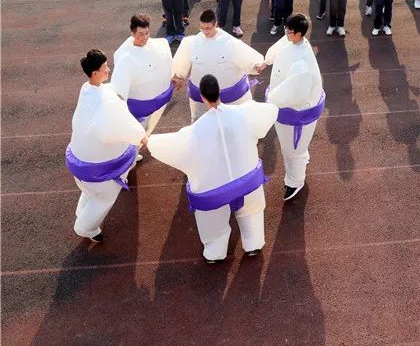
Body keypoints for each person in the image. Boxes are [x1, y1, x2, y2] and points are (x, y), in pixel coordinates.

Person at [148, 74, 279, 262]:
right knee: (252, 212)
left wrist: (149, 141)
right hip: (248, 180)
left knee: (213, 225)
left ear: (202, 97)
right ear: (219, 91)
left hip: (215, 191)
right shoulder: (244, 114)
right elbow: (271, 110)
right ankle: (254, 243)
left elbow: (173, 145)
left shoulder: (195, 131)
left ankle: (216, 252)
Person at [67, 50, 147, 241]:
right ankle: (86, 227)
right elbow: (120, 124)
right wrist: (140, 136)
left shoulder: (86, 89)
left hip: (79, 159)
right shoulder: (107, 103)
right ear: (95, 73)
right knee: (104, 198)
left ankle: (82, 211)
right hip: (100, 169)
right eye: (105, 67)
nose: (108, 69)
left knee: (89, 191)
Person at [264, 13, 325, 201]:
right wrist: (264, 62)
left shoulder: (302, 63)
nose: (286, 34)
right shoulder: (293, 41)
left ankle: (295, 181)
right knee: (294, 148)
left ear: (298, 34)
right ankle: (302, 158)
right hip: (290, 111)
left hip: (296, 114)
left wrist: (270, 101)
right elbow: (274, 52)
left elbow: (295, 92)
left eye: (289, 31)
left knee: (292, 151)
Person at [173, 9, 267, 122]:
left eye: (208, 28)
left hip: (230, 98)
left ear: (215, 24)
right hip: (200, 99)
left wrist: (256, 65)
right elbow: (179, 66)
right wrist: (178, 76)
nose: (205, 32)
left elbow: (252, 61)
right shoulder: (191, 43)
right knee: (201, 123)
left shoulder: (230, 42)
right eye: (202, 28)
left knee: (235, 123)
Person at [112, 14, 180, 148]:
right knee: (133, 133)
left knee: (147, 130)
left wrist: (172, 77)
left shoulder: (158, 45)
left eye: (147, 33)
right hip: (137, 107)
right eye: (140, 34)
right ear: (132, 33)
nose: (144, 37)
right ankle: (131, 155)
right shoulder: (125, 57)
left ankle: (136, 148)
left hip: (156, 101)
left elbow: (164, 63)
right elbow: (119, 90)